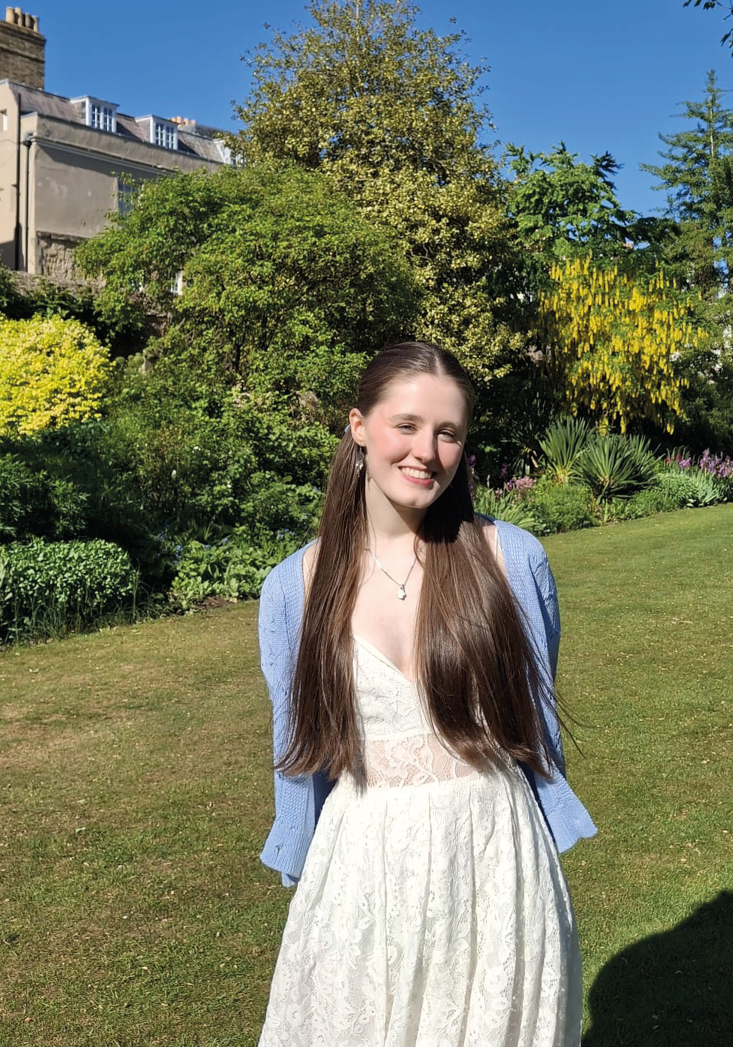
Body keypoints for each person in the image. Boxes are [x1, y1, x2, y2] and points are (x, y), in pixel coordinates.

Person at [257, 341, 596, 1047]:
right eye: (406, 425)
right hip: (362, 866)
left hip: (496, 861)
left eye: (449, 433)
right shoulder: (295, 587)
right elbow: (298, 746)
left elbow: (535, 714)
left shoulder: (511, 559)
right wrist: (300, 845)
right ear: (359, 426)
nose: (428, 452)